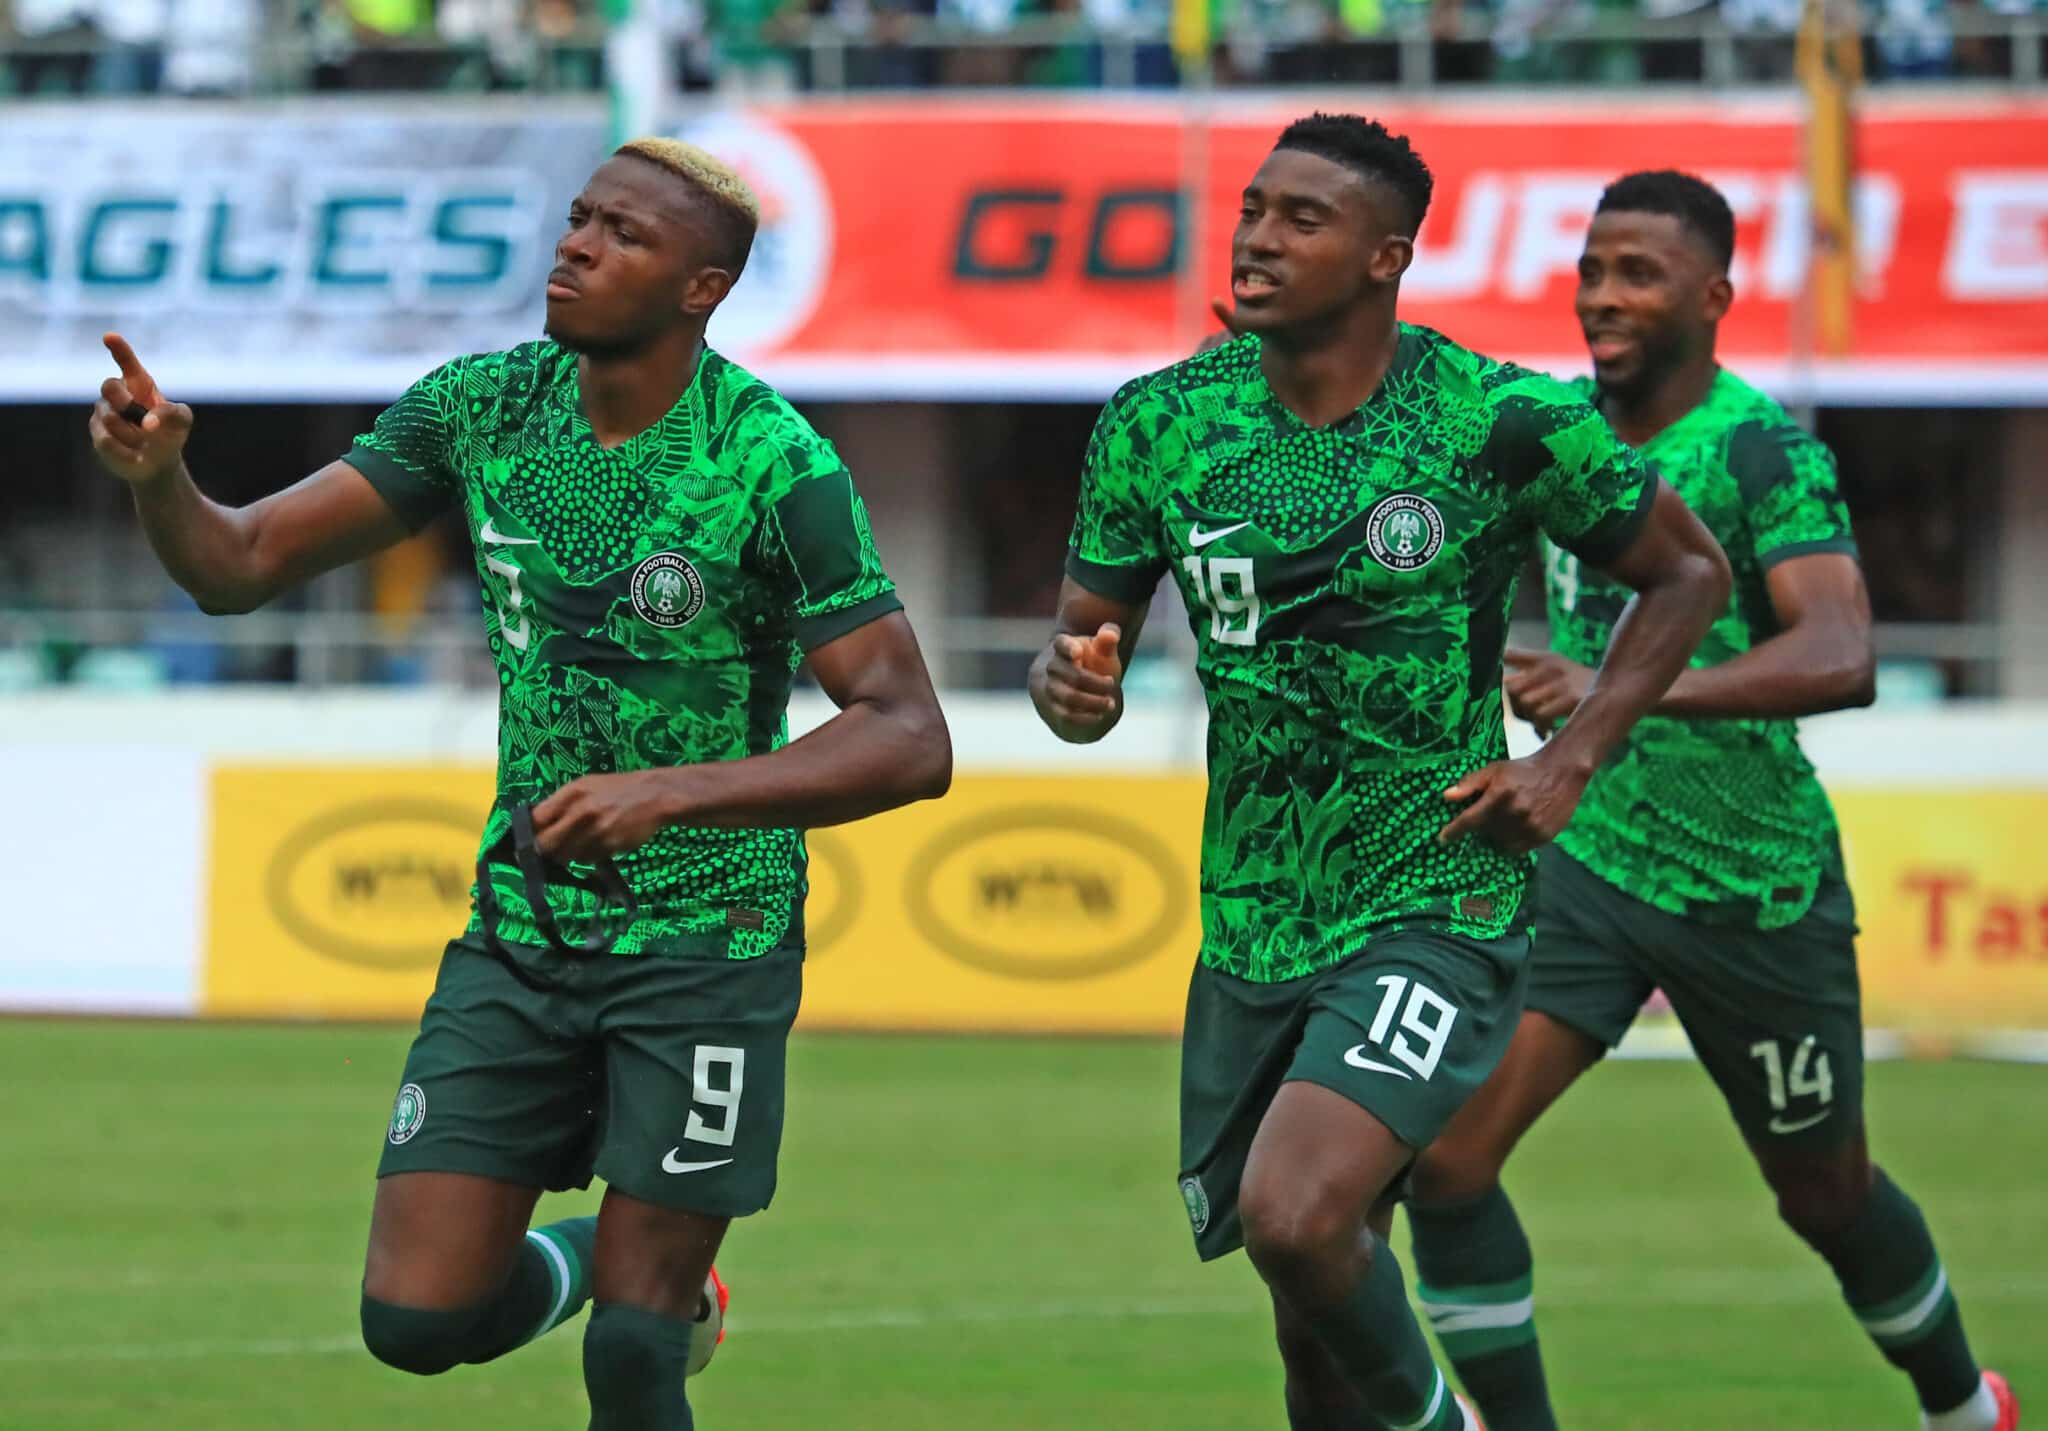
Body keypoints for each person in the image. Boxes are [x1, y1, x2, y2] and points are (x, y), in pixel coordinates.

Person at [87, 137, 952, 1431]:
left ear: (701, 287)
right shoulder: (481, 407)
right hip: (524, 931)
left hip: (708, 937)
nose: (577, 245)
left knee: (634, 1352)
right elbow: (241, 561)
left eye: (622, 236)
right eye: (578, 218)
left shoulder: (772, 461)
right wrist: (163, 482)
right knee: (416, 1318)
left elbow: (908, 732)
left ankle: (659, 1285)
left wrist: (668, 793)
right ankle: (596, 1261)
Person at [1029, 114, 1731, 1431]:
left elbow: (1689, 573)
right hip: (1252, 914)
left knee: (1295, 1210)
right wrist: (1070, 689)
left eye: (1303, 217)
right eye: (1253, 208)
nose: (1258, 237)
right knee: (1314, 1325)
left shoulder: (1498, 417)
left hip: (1436, 894)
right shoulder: (1157, 424)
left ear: (1383, 258)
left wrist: (1572, 761)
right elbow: (1079, 655)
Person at [1404, 170, 2019, 1431]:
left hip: (1754, 887)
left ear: (1713, 296)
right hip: (1588, 871)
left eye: (1636, 274)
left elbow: (1839, 655)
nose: (1601, 297)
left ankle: (1964, 1410)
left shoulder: (1758, 449)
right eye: (1589, 273)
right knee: (1445, 1158)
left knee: (1823, 1196)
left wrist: (1608, 696)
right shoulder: (1561, 435)